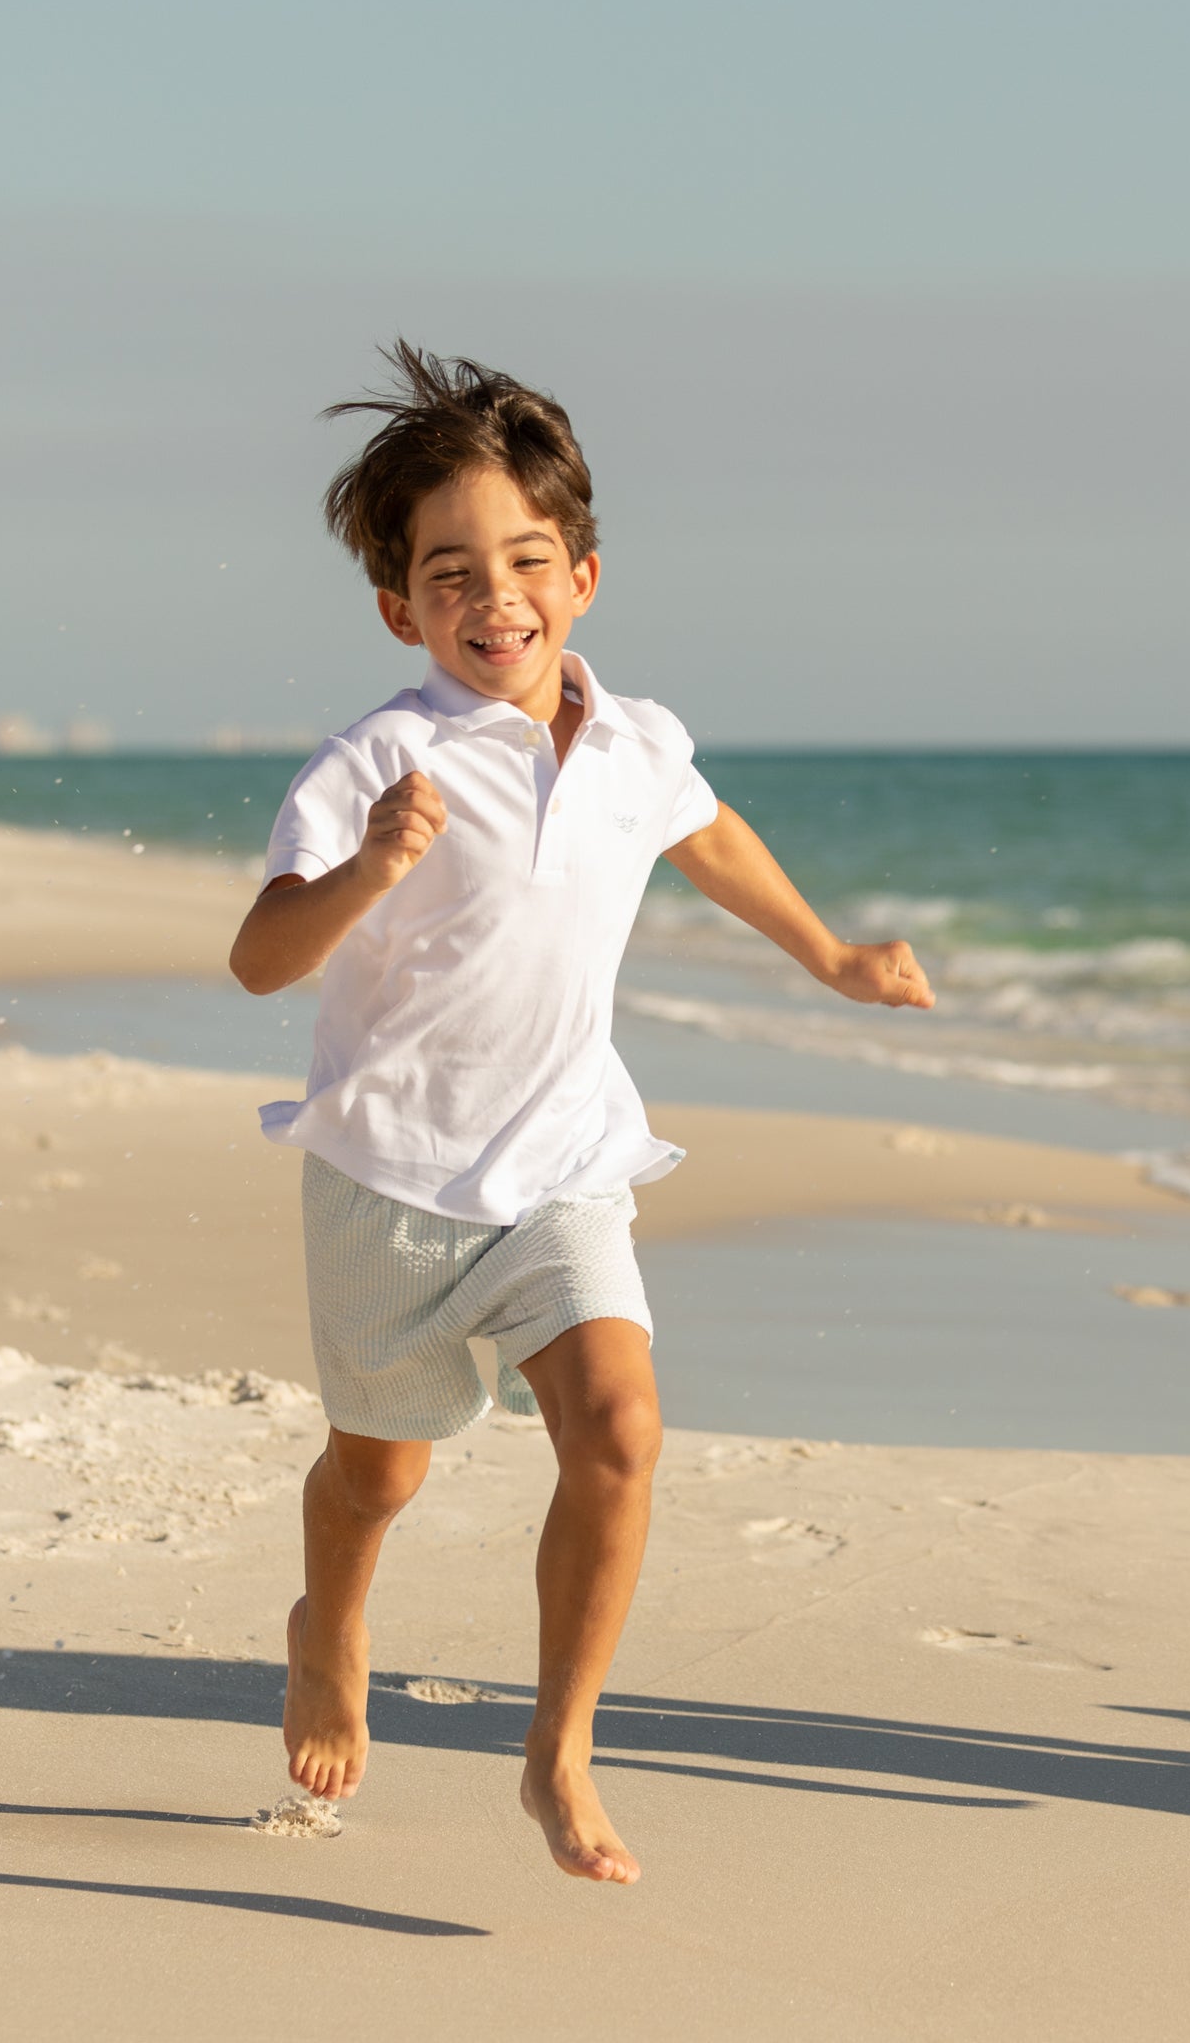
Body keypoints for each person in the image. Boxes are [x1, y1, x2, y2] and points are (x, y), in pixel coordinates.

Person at [229, 343, 933, 1885]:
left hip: (563, 1168)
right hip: (390, 1182)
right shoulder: (378, 761)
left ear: (586, 575)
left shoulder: (636, 741)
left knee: (621, 1431)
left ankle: (561, 1752)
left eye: (528, 561)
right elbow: (259, 958)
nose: (498, 597)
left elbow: (709, 831)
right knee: (377, 1479)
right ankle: (325, 1629)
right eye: (452, 571)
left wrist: (833, 956)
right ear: (399, 608)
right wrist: (368, 870)